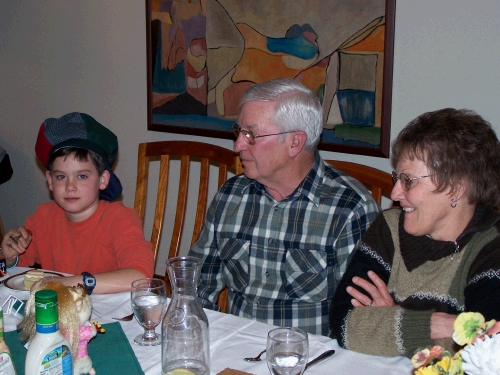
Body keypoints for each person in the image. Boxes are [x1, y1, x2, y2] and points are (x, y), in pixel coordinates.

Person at [188, 78, 380, 336]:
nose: (237, 146)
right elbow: (197, 286)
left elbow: (360, 321)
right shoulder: (231, 196)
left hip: (310, 359)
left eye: (251, 135)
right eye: (239, 131)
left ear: (295, 143)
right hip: (236, 350)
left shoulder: (350, 209)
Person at [329, 108, 500, 357]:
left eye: (408, 180)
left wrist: (390, 322)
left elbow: (483, 352)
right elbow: (342, 324)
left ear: (456, 188)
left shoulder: (490, 250)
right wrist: (435, 325)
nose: (396, 193)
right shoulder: (388, 228)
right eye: (397, 178)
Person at [0, 112, 154, 293]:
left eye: (82, 176)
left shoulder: (121, 219)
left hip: (106, 316)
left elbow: (140, 276)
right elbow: (16, 269)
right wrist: (9, 257)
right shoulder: (43, 217)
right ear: (49, 180)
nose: (70, 186)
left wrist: (74, 282)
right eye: (61, 176)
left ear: (103, 179)